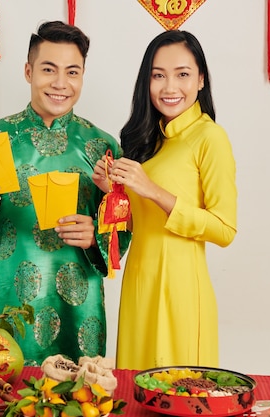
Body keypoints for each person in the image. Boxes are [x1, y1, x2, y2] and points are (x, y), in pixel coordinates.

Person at [0, 21, 131, 365]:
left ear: (83, 76)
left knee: (82, 401)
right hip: (12, 304)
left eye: (72, 72)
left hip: (81, 306)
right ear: (28, 72)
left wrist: (96, 235)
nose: (61, 83)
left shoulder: (102, 147)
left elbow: (124, 225)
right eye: (49, 69)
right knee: (9, 398)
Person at [93, 30, 237, 369]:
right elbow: (139, 221)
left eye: (182, 74)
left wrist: (153, 190)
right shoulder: (149, 139)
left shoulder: (209, 137)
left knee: (179, 392)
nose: (170, 87)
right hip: (139, 284)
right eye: (158, 76)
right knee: (134, 391)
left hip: (180, 290)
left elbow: (225, 229)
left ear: (201, 79)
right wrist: (111, 191)